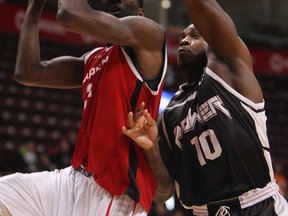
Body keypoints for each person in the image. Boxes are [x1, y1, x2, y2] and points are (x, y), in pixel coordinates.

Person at [0, 0, 167, 215]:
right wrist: (35, 5)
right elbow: (28, 72)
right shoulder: (94, 58)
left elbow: (69, 14)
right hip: (73, 180)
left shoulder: (150, 36)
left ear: (141, 13)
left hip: (115, 194)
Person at [122, 0, 288, 215]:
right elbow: (162, 193)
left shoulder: (230, 72)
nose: (185, 41)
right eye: (182, 37)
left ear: (211, 41)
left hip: (258, 205)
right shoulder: (169, 114)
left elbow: (203, 9)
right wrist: (151, 148)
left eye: (194, 36)